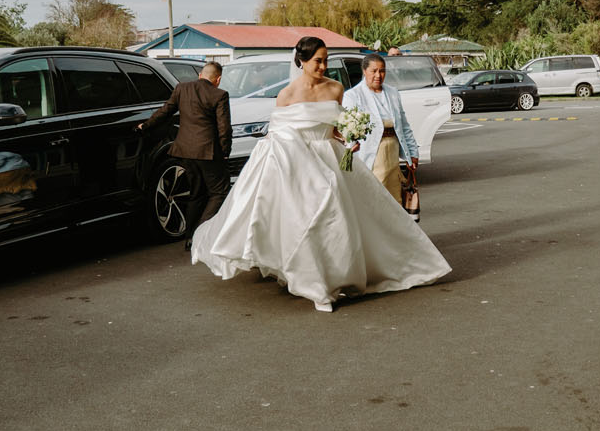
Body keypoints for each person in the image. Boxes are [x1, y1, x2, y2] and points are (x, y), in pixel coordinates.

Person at [189, 36, 450, 312]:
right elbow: (278, 135)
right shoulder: (287, 95)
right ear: (301, 61)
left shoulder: (336, 88)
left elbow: (335, 128)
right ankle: (315, 282)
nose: (323, 66)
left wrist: (349, 135)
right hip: (298, 160)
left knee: (339, 215)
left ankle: (334, 275)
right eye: (318, 61)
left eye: (325, 60)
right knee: (313, 214)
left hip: (330, 155)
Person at [138, 60, 231, 249]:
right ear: (218, 79)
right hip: (208, 151)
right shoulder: (219, 94)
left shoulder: (182, 88)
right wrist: (225, 151)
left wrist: (145, 126)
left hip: (185, 150)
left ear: (200, 75)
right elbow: (224, 127)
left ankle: (189, 237)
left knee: (196, 193)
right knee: (219, 192)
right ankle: (201, 234)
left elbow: (165, 111)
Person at [343, 53, 419, 202]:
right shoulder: (353, 95)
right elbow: (348, 130)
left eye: (382, 71)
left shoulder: (392, 92)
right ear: (364, 71)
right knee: (375, 196)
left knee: (394, 196)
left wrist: (412, 152)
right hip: (371, 153)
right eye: (374, 71)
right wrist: (351, 148)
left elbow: (404, 126)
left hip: (392, 150)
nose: (378, 75)